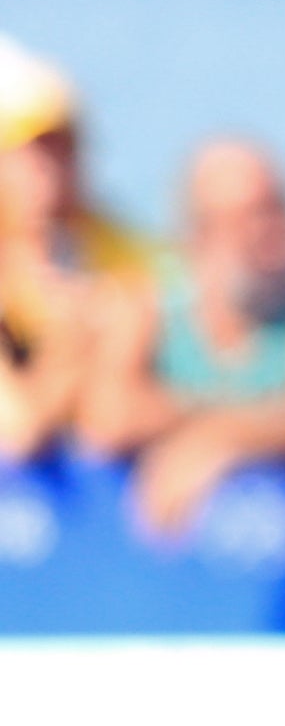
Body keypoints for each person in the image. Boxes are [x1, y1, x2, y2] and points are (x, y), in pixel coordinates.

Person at [99, 135, 285, 544]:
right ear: (197, 233)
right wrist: (238, 422)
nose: (270, 231)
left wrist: (220, 439)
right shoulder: (147, 307)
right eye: (247, 216)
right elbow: (112, 417)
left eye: (277, 207)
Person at [0, 39, 145, 464]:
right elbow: (19, 430)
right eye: (30, 152)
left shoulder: (127, 255)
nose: (51, 169)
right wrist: (76, 341)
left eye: (64, 147)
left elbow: (112, 418)